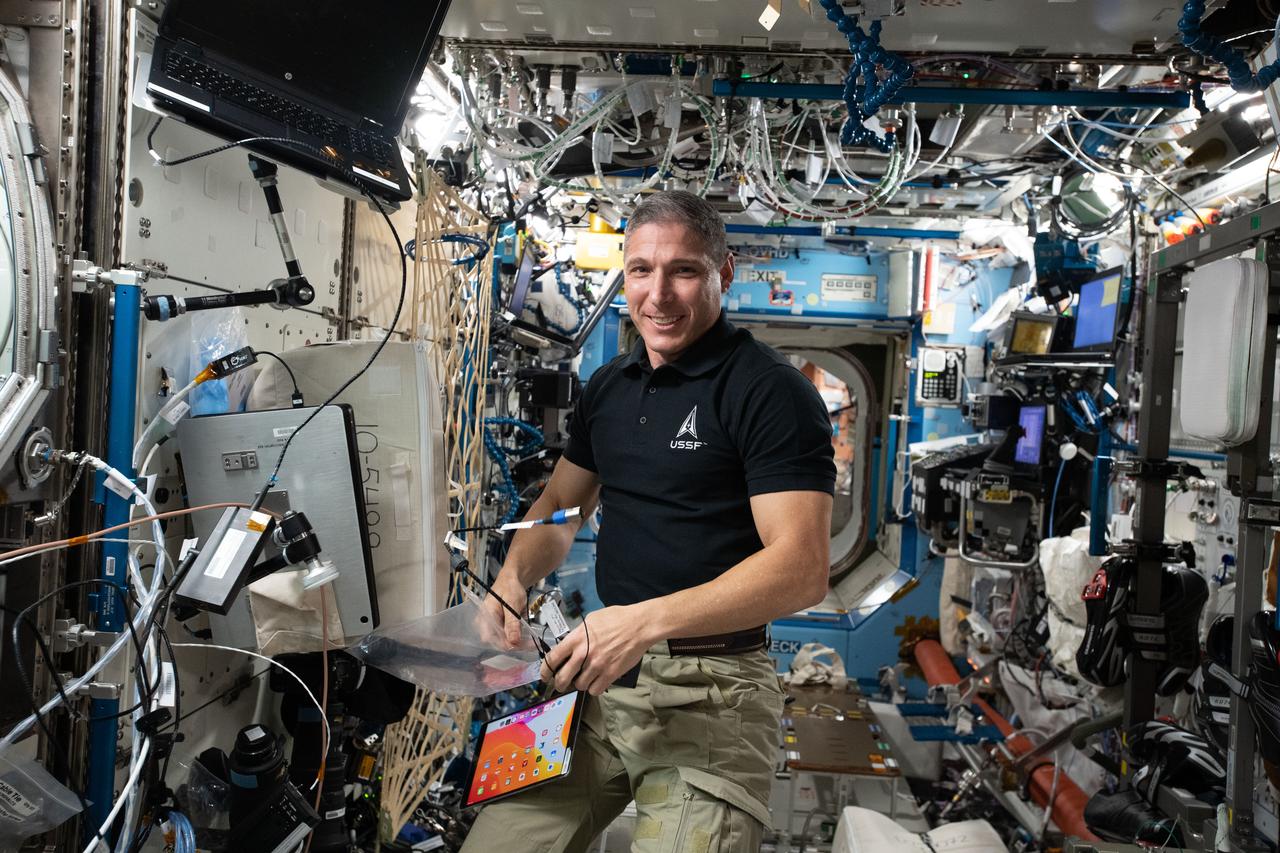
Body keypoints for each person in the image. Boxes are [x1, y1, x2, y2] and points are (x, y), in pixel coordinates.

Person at [461, 190, 835, 852]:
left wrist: (640, 622)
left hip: (715, 693)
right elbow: (561, 506)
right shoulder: (609, 386)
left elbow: (801, 568)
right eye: (640, 270)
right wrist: (512, 581)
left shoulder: (770, 391)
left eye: (683, 271)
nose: (657, 295)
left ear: (723, 272)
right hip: (600, 680)